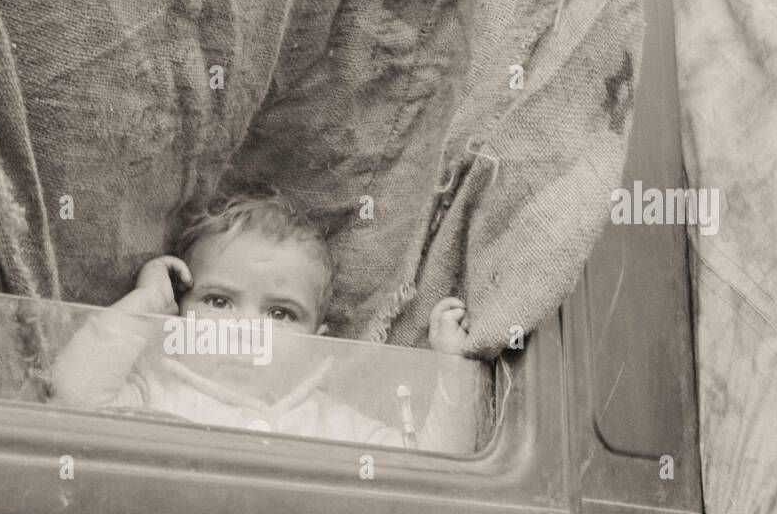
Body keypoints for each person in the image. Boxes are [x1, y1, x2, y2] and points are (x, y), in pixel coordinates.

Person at [50, 189, 479, 451]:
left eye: (279, 313)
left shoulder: (335, 424)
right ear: (177, 317)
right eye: (218, 302)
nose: (246, 330)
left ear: (318, 344)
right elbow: (73, 397)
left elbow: (432, 463)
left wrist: (453, 369)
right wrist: (146, 302)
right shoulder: (152, 390)